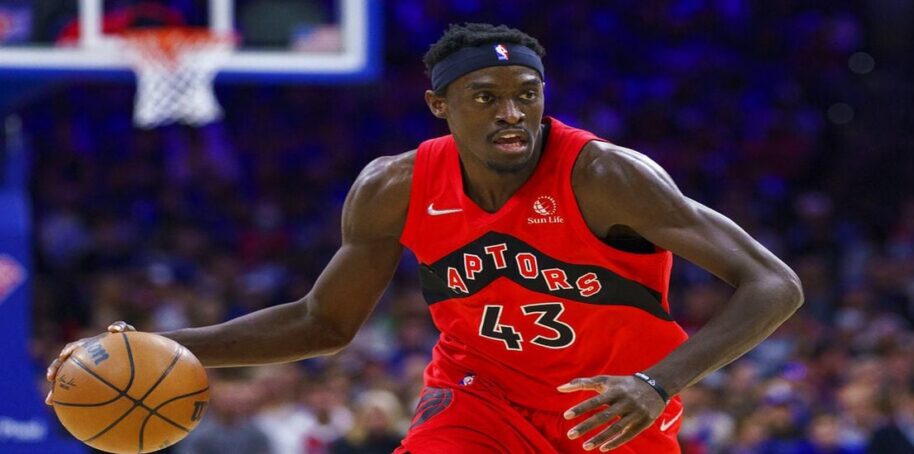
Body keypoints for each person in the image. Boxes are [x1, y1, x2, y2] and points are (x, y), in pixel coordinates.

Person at [45, 23, 803, 453]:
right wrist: (162, 346)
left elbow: (775, 284)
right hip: (479, 400)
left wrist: (656, 383)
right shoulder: (396, 186)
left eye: (527, 95)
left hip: (609, 411)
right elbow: (322, 322)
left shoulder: (606, 175)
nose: (513, 113)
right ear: (441, 105)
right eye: (487, 97)